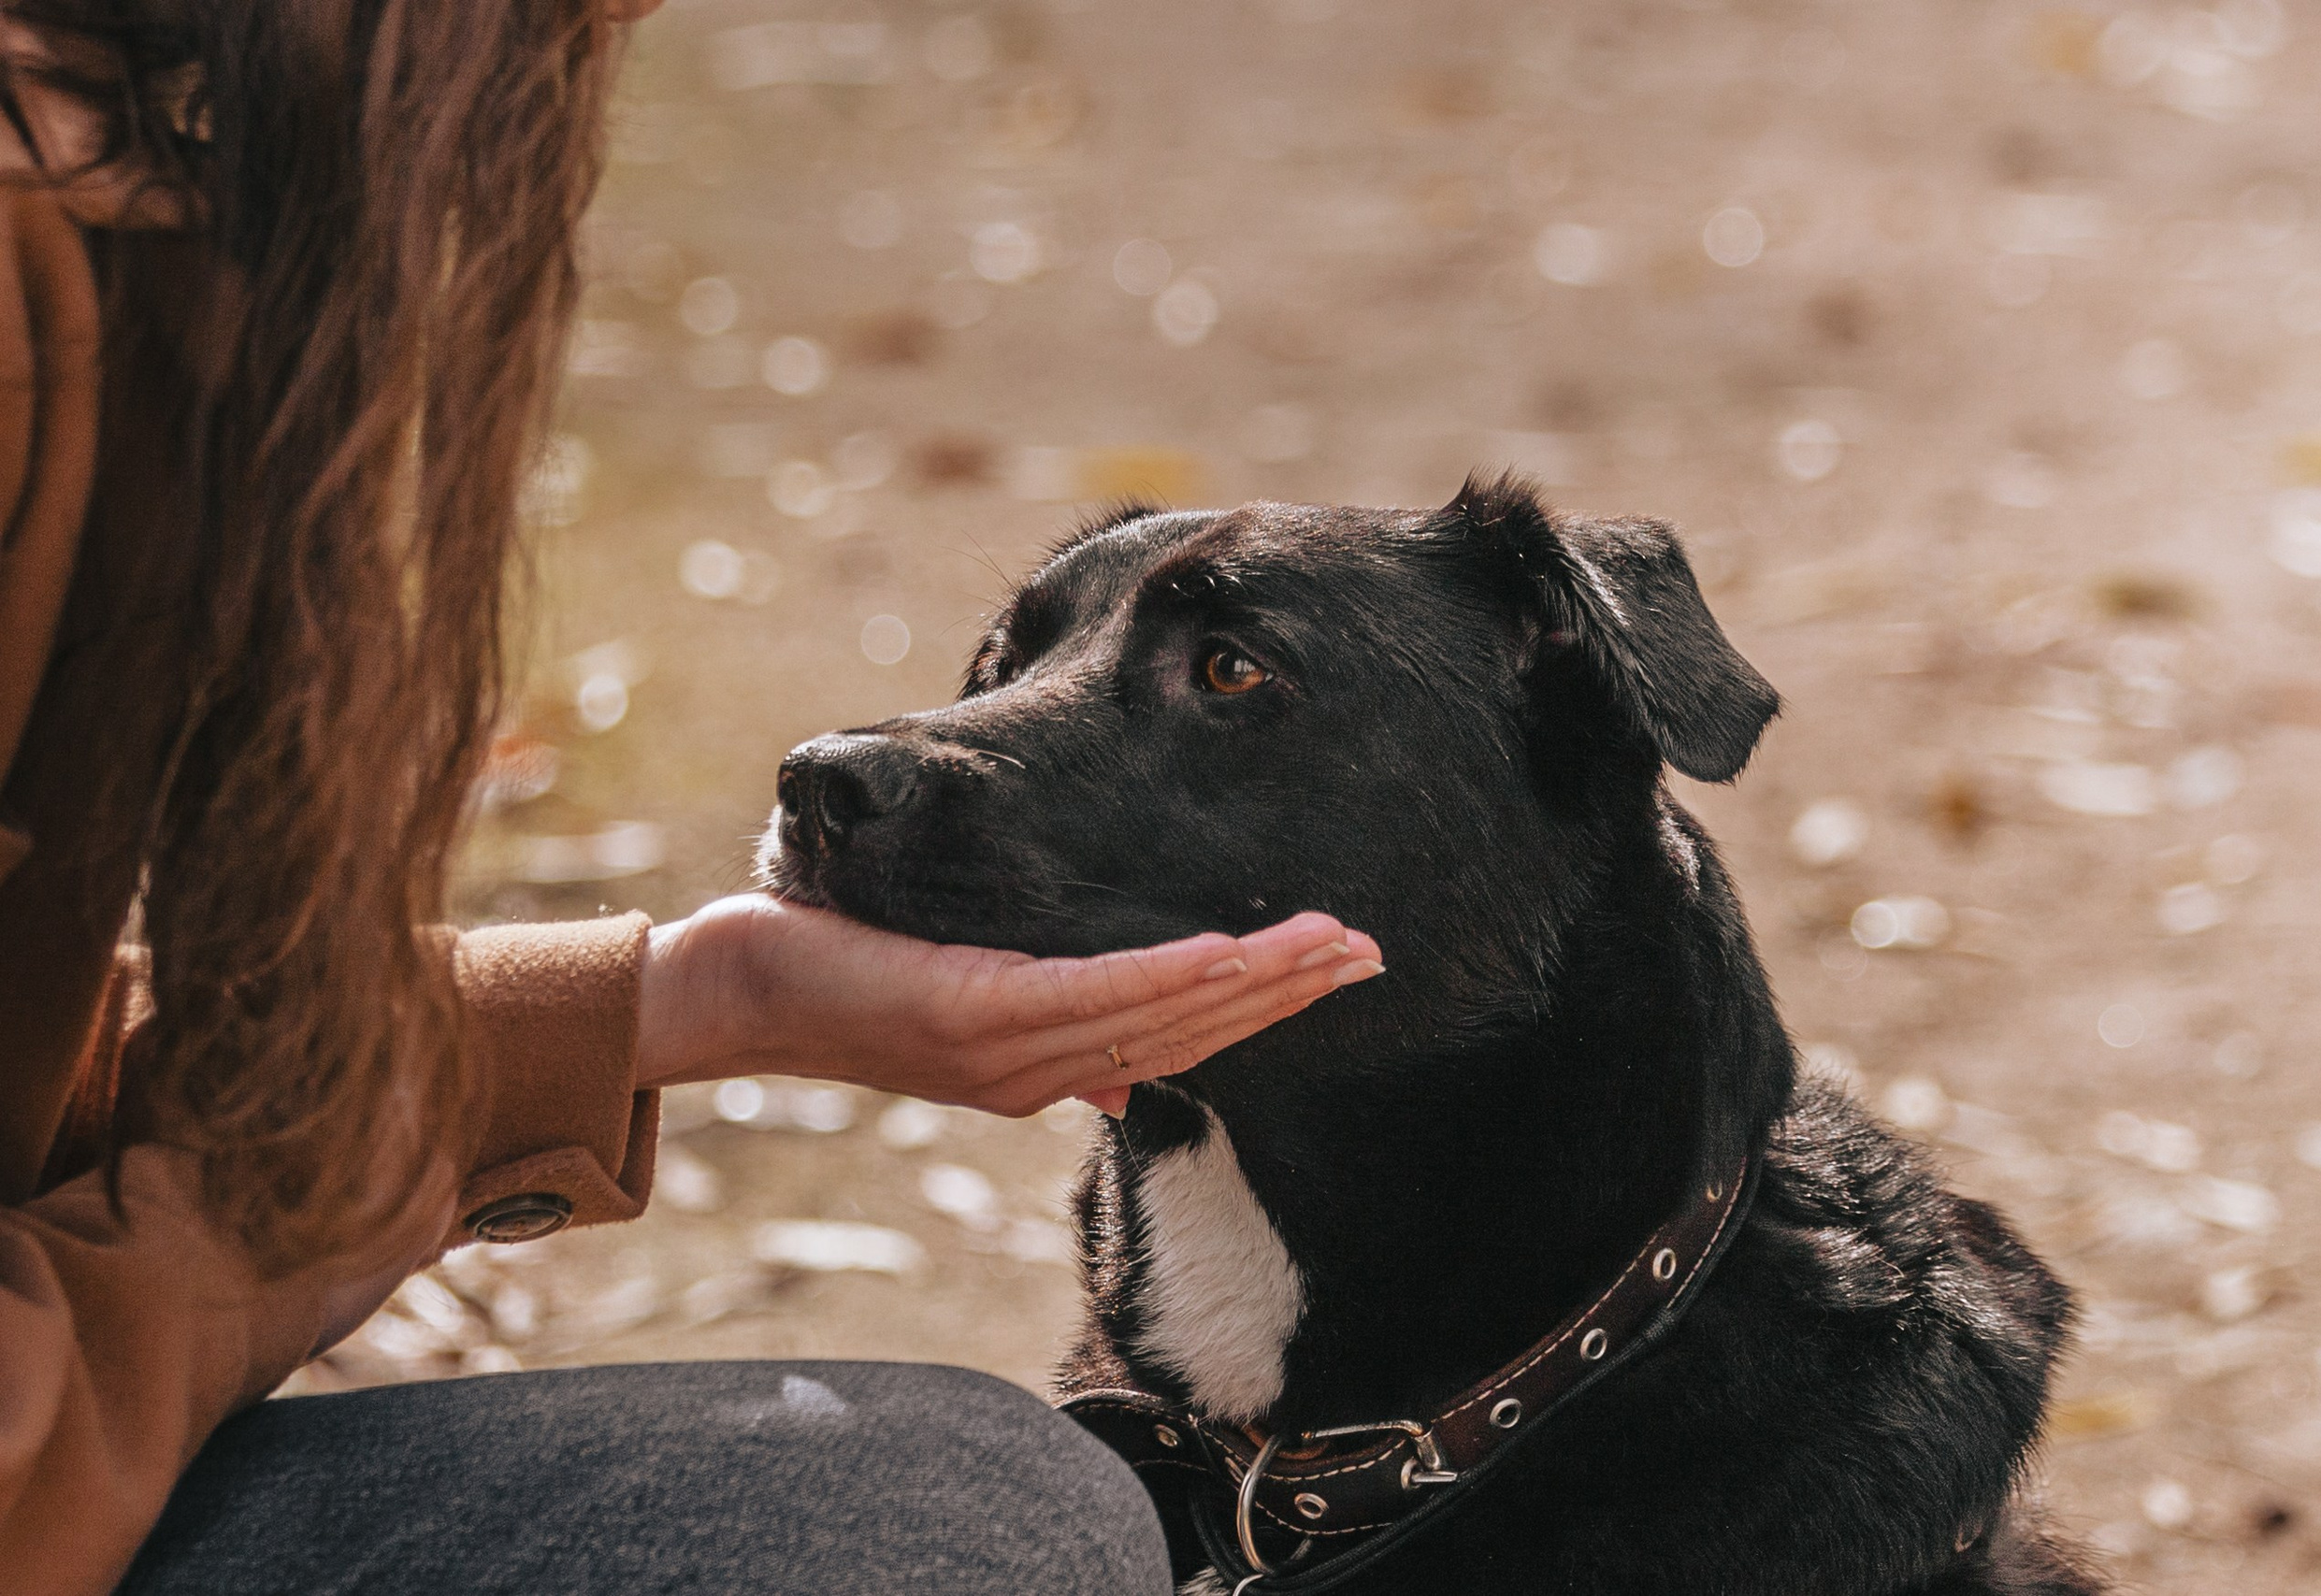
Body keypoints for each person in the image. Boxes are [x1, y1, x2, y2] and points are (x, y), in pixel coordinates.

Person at [0, 3, 1382, 1591]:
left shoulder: (142, 207)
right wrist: (274, 1223)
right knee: (955, 1533)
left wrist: (694, 1002)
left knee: (948, 1497)